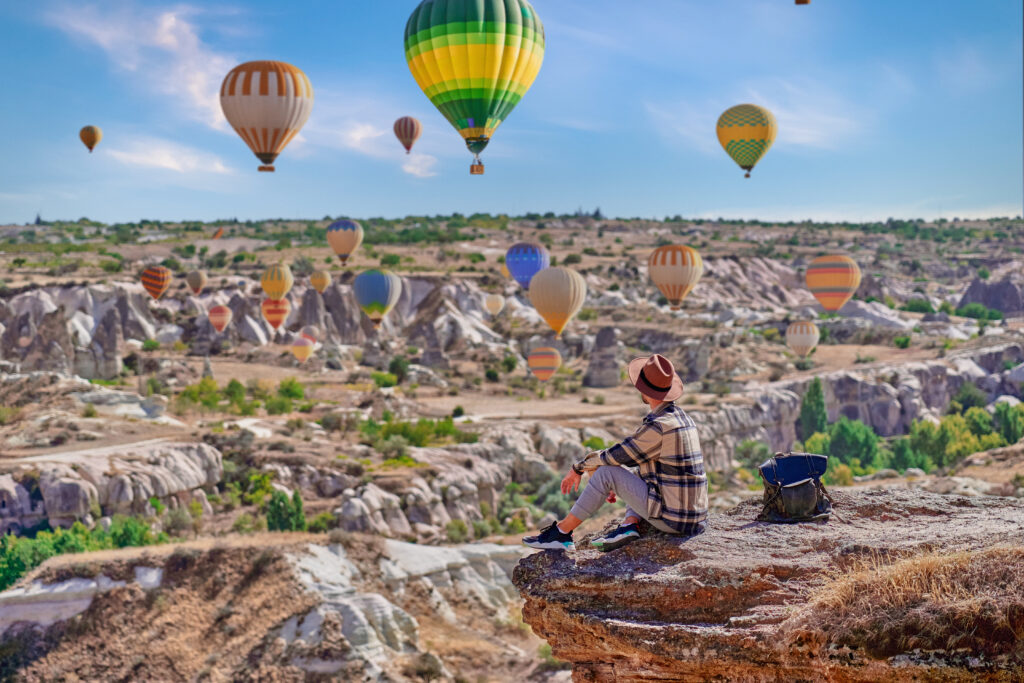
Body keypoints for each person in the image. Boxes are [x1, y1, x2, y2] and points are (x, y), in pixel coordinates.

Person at [523, 354, 708, 552]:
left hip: (674, 521)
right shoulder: (682, 419)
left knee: (607, 473)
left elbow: (615, 456)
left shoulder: (659, 426)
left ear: (643, 390)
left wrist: (579, 468)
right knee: (639, 471)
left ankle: (561, 533)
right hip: (694, 518)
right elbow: (628, 457)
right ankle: (630, 524)